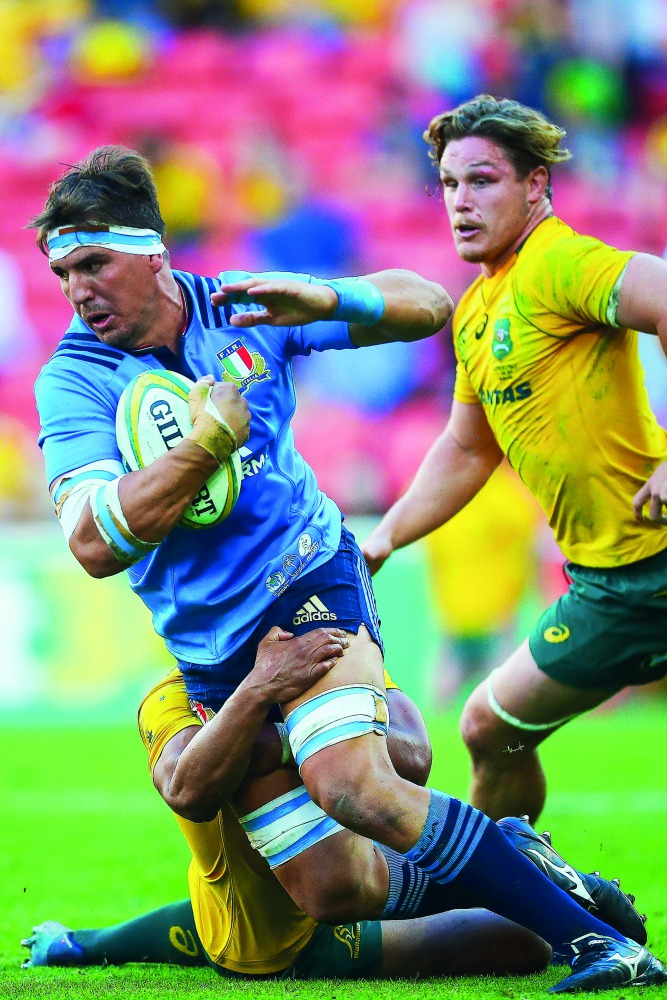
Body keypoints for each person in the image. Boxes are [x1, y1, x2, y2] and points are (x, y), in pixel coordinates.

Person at [31, 146, 664, 993]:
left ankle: (598, 946)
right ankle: (524, 867)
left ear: (153, 251)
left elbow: (429, 305)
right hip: (213, 654)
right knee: (337, 887)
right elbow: (95, 544)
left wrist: (331, 297)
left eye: (94, 263)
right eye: (63, 271)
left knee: (357, 784)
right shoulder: (74, 380)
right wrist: (206, 444)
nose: (78, 290)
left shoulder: (243, 307)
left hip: (306, 582)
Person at [21, 627, 650, 990]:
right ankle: (522, 860)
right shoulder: (169, 697)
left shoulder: (330, 652)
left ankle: (550, 893)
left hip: (334, 903)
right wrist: (269, 704)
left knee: (528, 948)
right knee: (234, 925)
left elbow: (411, 755)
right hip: (263, 919)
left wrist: (315, 740)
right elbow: (188, 785)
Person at [361, 94, 667, 824]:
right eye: (447, 184)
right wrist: (385, 535)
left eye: (482, 180)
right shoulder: (474, 311)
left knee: (485, 728)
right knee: (490, 730)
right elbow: (469, 446)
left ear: (535, 186)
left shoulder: (559, 263)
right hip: (615, 589)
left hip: (655, 552)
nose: (460, 202)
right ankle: (521, 910)